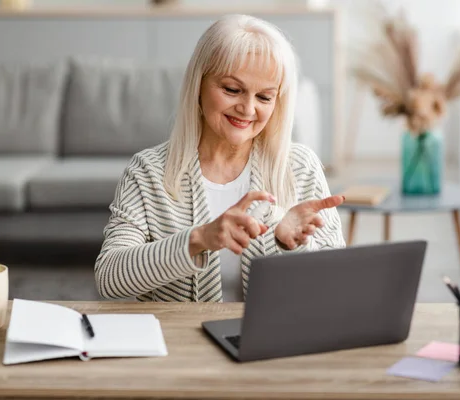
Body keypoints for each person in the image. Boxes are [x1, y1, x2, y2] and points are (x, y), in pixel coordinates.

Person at [94, 14, 346, 302]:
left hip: (272, 344)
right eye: (232, 90)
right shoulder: (148, 171)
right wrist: (198, 239)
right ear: (198, 85)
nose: (248, 109)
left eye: (264, 97)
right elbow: (109, 279)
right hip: (182, 344)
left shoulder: (300, 166)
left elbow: (334, 287)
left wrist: (290, 245)